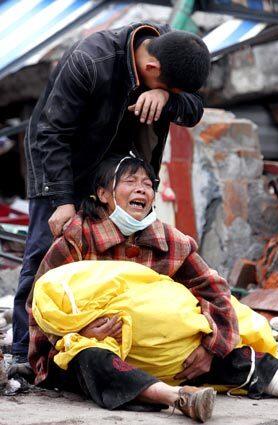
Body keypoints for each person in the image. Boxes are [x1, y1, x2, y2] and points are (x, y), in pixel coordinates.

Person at [28, 154, 278, 422]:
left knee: (231, 355)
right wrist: (79, 330)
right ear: (103, 193)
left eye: (147, 184)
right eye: (130, 181)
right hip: (100, 350)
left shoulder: (171, 241)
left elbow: (215, 292)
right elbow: (40, 306)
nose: (142, 188)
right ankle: (177, 397)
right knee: (89, 359)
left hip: (164, 354)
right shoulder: (77, 239)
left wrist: (210, 348)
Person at [12, 22, 211, 366]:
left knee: (113, 259)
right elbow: (51, 133)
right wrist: (61, 200)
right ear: (151, 68)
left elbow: (194, 107)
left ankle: (109, 343)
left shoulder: (173, 49)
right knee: (44, 253)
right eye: (167, 86)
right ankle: (24, 352)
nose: (172, 93)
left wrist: (167, 96)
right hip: (60, 163)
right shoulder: (90, 61)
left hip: (116, 168)